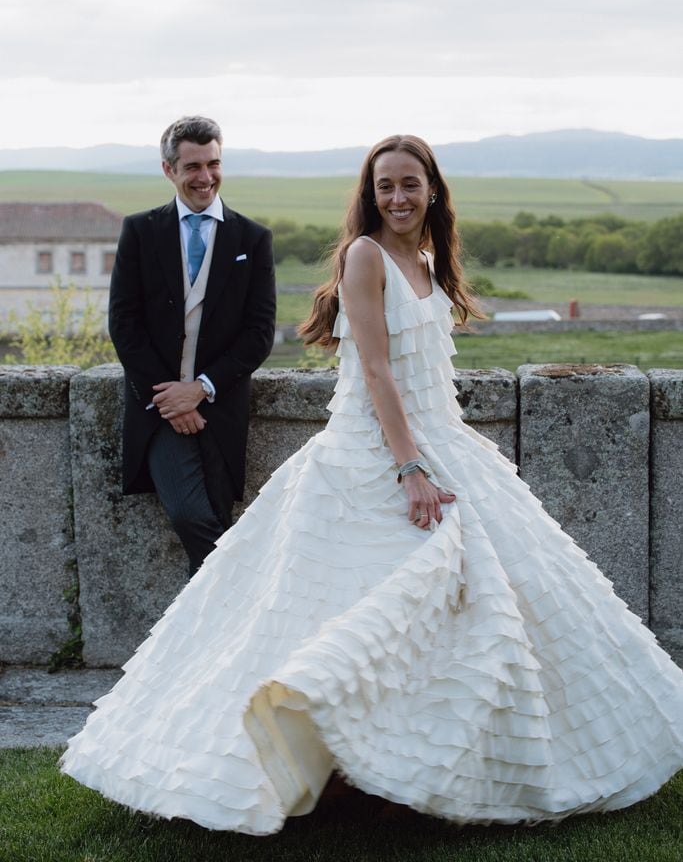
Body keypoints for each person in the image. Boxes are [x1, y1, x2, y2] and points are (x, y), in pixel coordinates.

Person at [61, 135, 683, 834]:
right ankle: (334, 767)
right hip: (374, 456)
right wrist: (409, 468)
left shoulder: (424, 260)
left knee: (488, 601)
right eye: (384, 185)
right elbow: (378, 373)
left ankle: (401, 770)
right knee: (373, 605)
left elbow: (423, 377)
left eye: (409, 183)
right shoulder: (364, 256)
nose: (397, 197)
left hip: (438, 441)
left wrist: (436, 450)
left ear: (433, 191)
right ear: (369, 193)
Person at [107, 115, 276, 575]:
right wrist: (172, 399)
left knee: (218, 515)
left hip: (220, 404)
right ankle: (241, 595)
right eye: (193, 167)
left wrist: (200, 388)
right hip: (158, 405)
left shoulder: (252, 238)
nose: (206, 177)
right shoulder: (140, 232)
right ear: (169, 170)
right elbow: (124, 324)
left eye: (214, 163)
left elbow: (259, 332)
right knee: (189, 514)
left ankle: (209, 636)